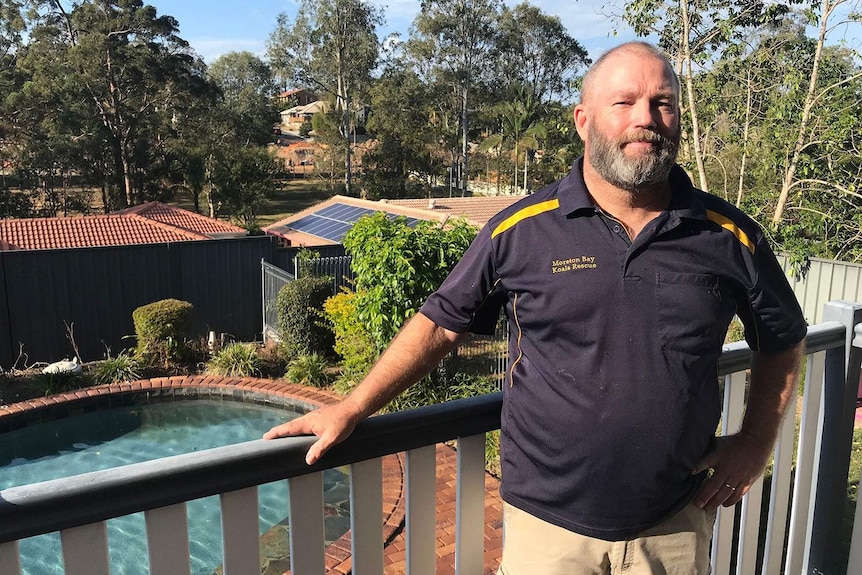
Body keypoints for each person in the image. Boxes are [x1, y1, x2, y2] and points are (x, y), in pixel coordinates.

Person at [264, 41, 807, 575]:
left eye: (662, 103)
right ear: (583, 120)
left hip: (672, 525)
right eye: (624, 103)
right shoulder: (522, 230)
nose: (646, 118)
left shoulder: (728, 236)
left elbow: (782, 336)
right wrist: (351, 408)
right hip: (548, 531)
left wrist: (756, 441)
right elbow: (438, 326)